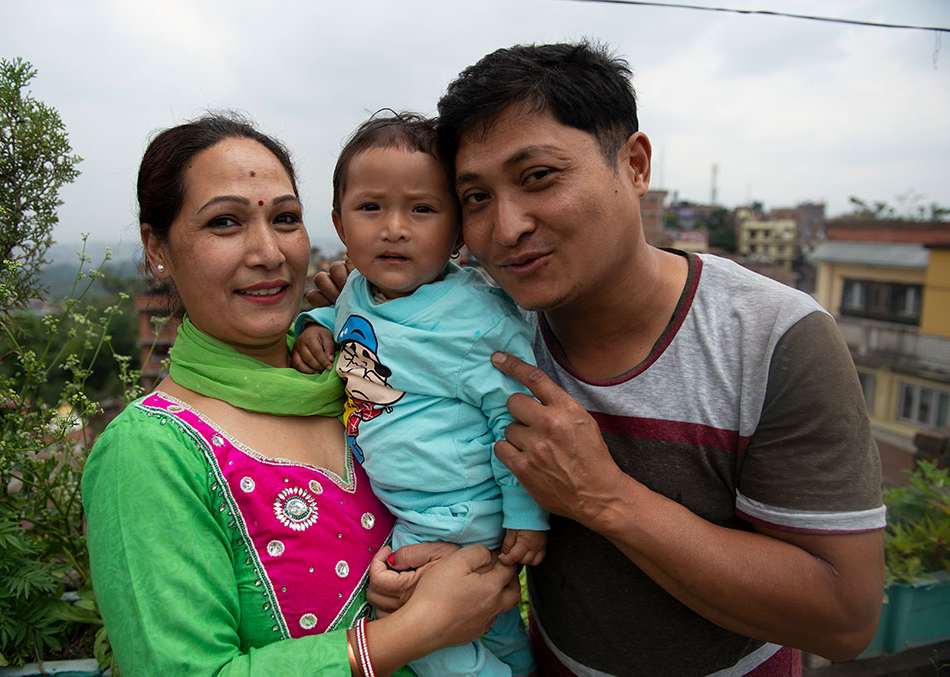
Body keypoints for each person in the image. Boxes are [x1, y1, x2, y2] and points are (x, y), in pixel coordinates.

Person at [318, 42, 887, 676]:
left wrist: (602, 496)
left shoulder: (771, 339)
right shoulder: (484, 320)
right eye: (476, 197)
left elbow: (845, 621)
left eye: (539, 177)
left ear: (635, 165)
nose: (506, 227)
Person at [81, 114, 521, 676]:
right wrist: (416, 631)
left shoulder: (361, 367)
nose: (269, 252)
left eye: (285, 219)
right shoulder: (150, 454)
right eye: (224, 223)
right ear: (156, 248)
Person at [292, 111, 548, 677]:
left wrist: (527, 514)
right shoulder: (359, 288)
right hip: (406, 500)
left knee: (424, 632)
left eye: (422, 209)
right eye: (370, 208)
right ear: (339, 221)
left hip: (450, 512)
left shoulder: (474, 319)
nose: (395, 228)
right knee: (499, 630)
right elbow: (338, 314)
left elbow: (517, 419)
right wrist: (310, 326)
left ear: (458, 230)